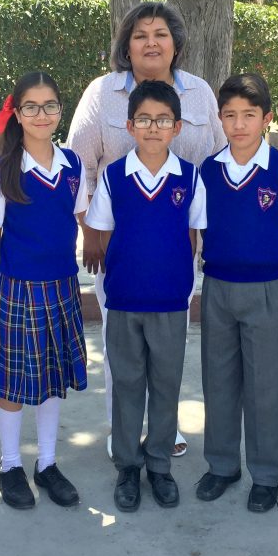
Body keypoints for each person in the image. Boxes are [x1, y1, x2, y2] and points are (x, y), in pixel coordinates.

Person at [68, 1, 225, 459]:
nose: (150, 43)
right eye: (140, 35)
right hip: (116, 247)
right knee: (122, 348)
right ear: (126, 45)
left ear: (176, 44)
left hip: (178, 247)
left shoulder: (199, 94)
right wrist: (92, 235)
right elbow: (79, 167)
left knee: (166, 345)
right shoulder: (102, 94)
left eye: (160, 34)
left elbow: (216, 159)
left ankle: (163, 431)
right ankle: (123, 434)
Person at [84, 81, 207, 512]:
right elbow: (102, 231)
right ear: (130, 126)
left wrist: (182, 280)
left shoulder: (190, 177)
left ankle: (159, 465)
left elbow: (194, 235)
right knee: (127, 384)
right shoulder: (114, 177)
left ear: (177, 127)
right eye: (144, 119)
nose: (153, 128)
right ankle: (127, 466)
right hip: (123, 300)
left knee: (166, 384)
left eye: (162, 120)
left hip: (170, 301)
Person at [194, 74, 278, 514]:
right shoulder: (209, 170)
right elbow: (198, 230)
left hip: (266, 290)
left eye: (249, 115)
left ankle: (265, 474)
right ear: (220, 119)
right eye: (230, 115)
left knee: (267, 385)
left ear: (266, 119)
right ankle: (222, 465)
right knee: (219, 379)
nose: (239, 124)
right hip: (219, 288)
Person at [0, 72, 89, 510]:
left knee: (52, 379)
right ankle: (10, 464)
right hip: (17, 289)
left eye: (50, 106)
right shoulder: (0, 170)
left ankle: (47, 463)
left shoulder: (73, 165)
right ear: (18, 114)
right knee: (13, 384)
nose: (41, 115)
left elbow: (79, 219)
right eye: (31, 107)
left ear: (61, 111)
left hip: (62, 284)